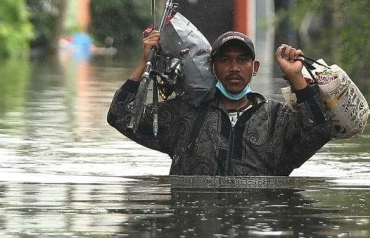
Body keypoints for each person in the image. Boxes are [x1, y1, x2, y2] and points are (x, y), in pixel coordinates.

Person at [107, 29, 335, 176]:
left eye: (242, 60)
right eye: (225, 60)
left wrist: (296, 77)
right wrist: (144, 63)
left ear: (254, 68)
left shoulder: (278, 118)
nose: (234, 68)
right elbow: (121, 116)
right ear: (212, 67)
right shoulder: (185, 114)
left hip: (255, 236)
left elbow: (320, 131)